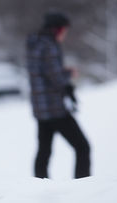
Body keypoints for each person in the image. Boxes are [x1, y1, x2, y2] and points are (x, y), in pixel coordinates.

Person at [26, 10, 91, 179]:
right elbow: (55, 77)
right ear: (58, 29)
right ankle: (83, 189)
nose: (65, 35)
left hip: (41, 109)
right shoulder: (50, 46)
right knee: (82, 147)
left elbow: (44, 72)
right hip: (55, 109)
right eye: (65, 31)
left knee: (44, 152)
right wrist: (69, 76)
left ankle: (40, 191)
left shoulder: (35, 44)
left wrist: (64, 73)